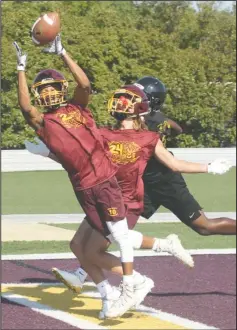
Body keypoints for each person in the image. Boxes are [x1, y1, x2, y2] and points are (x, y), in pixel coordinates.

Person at [24, 84, 232, 320]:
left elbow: (174, 164)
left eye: (128, 101)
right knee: (80, 247)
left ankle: (134, 282)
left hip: (128, 202)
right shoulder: (101, 134)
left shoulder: (149, 138)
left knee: (91, 252)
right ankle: (150, 257)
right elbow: (77, 159)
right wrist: (49, 151)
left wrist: (209, 168)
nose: (122, 104)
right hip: (104, 195)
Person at [13, 35, 154, 319]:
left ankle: (131, 285)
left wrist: (62, 52)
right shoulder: (43, 122)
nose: (50, 93)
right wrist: (21, 70)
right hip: (83, 187)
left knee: (119, 236)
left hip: (104, 180)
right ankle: (108, 294)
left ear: (62, 88)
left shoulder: (78, 107)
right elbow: (26, 107)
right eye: (45, 89)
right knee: (80, 246)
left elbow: (85, 84)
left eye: (54, 87)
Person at [135, 76, 236, 235]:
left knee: (204, 227)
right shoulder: (156, 118)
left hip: (166, 182)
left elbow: (172, 161)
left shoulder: (148, 124)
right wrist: (167, 134)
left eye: (138, 96)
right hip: (145, 181)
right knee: (118, 221)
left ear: (151, 101)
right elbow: (177, 128)